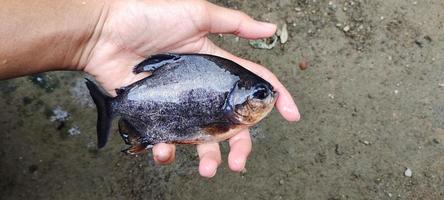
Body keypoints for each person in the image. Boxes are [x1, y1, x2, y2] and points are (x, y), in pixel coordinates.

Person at [0, 0, 300, 178]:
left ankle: (119, 113)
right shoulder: (226, 117)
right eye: (260, 95)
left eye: (261, 94)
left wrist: (97, 29)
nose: (267, 97)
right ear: (239, 99)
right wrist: (97, 28)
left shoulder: (228, 109)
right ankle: (117, 112)